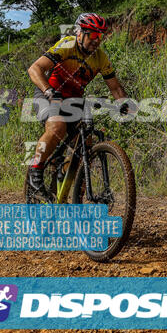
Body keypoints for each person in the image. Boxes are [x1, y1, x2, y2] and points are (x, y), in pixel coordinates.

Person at [27, 12, 131, 201]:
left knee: (85, 143)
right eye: (92, 35)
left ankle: (71, 186)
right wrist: (49, 91)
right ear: (80, 33)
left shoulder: (100, 58)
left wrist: (125, 104)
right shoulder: (67, 44)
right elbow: (34, 69)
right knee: (58, 126)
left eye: (100, 36)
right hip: (48, 93)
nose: (96, 40)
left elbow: (115, 87)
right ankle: (35, 171)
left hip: (74, 100)